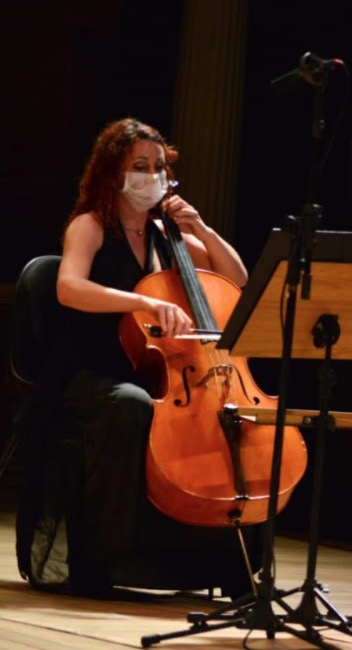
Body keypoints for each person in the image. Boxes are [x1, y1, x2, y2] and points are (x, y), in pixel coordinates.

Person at [16, 117, 253, 597]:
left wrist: (202, 229)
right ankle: (98, 563)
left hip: (155, 373)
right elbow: (69, 287)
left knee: (219, 421)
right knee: (131, 408)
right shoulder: (91, 225)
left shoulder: (169, 236)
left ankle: (220, 565)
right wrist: (142, 302)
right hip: (90, 372)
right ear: (112, 174)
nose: (152, 176)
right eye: (140, 166)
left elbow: (239, 280)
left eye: (160, 167)